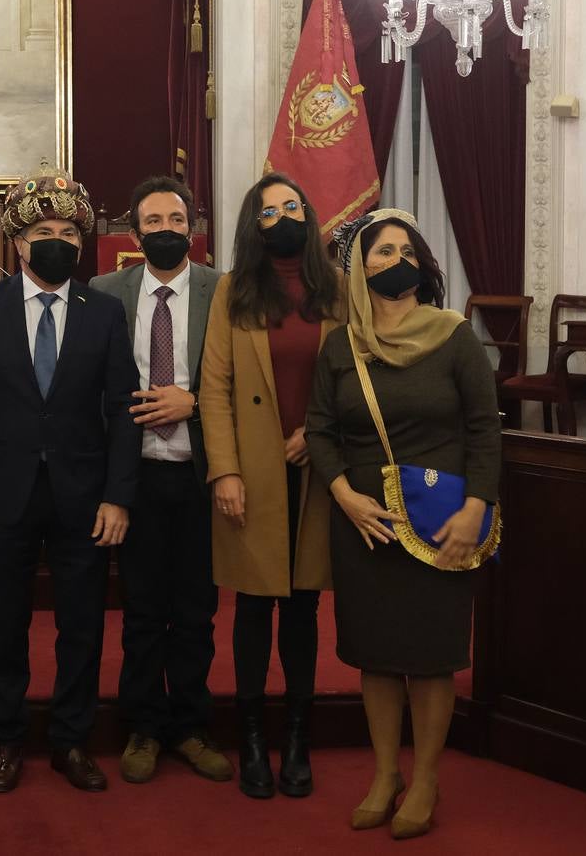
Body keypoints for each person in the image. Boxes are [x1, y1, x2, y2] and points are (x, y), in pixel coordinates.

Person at [0, 162, 140, 793]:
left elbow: (122, 409)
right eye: (46, 230)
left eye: (71, 233)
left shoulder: (104, 312)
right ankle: (6, 739)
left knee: (81, 625)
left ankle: (72, 741)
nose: (61, 241)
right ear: (19, 242)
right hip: (1, 493)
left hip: (84, 495)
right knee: (5, 622)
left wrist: (118, 496)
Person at [306, 208, 500, 840]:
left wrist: (477, 508)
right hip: (365, 523)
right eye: (382, 252)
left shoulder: (454, 336)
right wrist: (344, 496)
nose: (397, 261)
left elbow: (484, 429)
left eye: (406, 251)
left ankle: (425, 779)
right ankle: (387, 773)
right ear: (359, 268)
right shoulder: (341, 344)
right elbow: (320, 431)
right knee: (378, 657)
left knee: (431, 656)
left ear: (423, 264)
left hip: (442, 520)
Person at [200, 173, 344, 799]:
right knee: (255, 607)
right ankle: (253, 739)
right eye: (268, 210)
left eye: (292, 206)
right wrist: (225, 470)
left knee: (305, 609)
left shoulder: (338, 290)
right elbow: (214, 389)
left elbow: (354, 379)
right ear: (252, 226)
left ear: (309, 216)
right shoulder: (234, 290)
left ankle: (298, 739)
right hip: (252, 474)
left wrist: (316, 433)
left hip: (318, 468)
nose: (282, 216)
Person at [88, 176, 233, 786]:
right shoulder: (103, 292)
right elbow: (91, 387)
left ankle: (191, 727)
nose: (167, 231)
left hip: (202, 475)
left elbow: (240, 381)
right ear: (134, 229)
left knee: (197, 611)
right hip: (136, 476)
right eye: (154, 222)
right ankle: (144, 728)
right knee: (143, 611)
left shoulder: (223, 291)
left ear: (192, 227)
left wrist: (192, 401)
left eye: (177, 221)